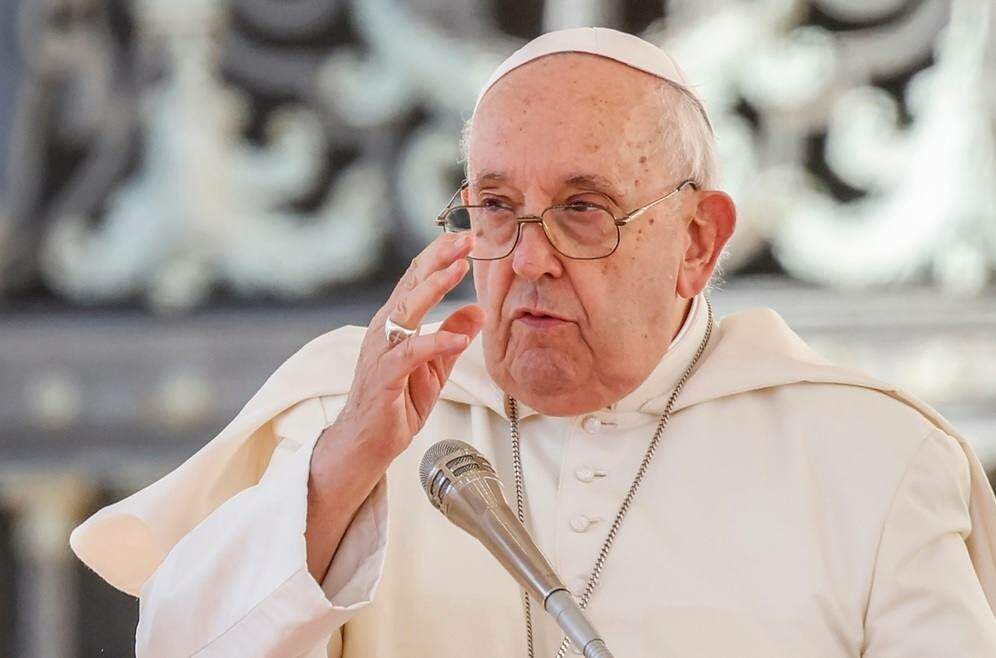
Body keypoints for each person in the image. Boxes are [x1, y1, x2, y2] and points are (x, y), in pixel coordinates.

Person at [70, 28, 996, 657]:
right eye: (498, 208)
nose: (528, 258)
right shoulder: (346, 418)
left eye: (583, 209)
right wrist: (340, 469)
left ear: (698, 242)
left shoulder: (874, 461)